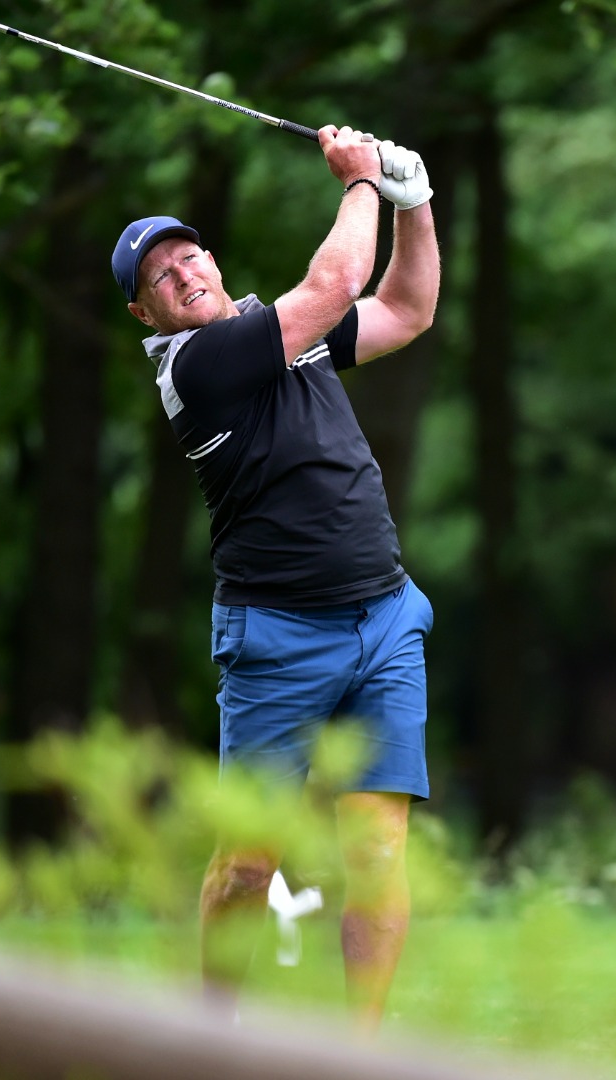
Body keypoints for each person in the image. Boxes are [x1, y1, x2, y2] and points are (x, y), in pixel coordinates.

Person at [111, 125, 440, 1032]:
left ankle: (358, 1056)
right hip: (277, 639)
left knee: (378, 855)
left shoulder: (286, 336)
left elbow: (406, 309)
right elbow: (334, 285)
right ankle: (210, 1039)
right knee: (247, 865)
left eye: (188, 256)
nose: (182, 275)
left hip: (384, 622)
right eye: (158, 278)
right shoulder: (198, 366)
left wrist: (414, 204)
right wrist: (362, 182)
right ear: (145, 314)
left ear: (212, 260)